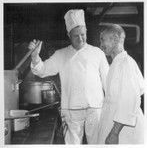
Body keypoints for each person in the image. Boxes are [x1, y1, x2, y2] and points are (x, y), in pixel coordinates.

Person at [28, 9, 109, 144]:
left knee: (97, 144)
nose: (80, 38)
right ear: (68, 35)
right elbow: (42, 70)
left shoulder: (97, 53)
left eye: (83, 34)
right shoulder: (61, 55)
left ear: (86, 32)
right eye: (76, 35)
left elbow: (108, 81)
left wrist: (111, 105)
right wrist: (35, 56)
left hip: (95, 108)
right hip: (71, 110)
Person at [97, 24, 144, 144]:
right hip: (116, 126)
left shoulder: (126, 64)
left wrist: (114, 133)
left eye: (103, 39)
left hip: (124, 131)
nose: (100, 45)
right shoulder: (116, 63)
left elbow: (129, 101)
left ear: (116, 38)